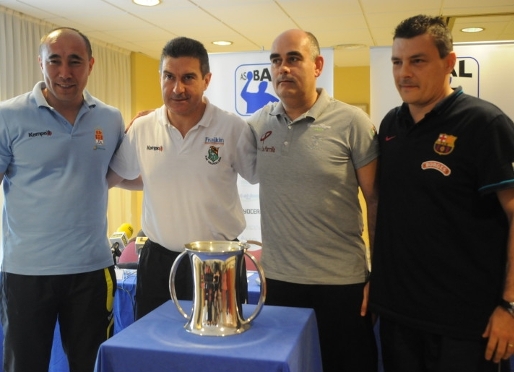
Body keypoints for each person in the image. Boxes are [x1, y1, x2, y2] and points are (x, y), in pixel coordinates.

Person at [369, 14, 514, 371]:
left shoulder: (484, 124)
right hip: (398, 316)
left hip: (465, 325)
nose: (404, 73)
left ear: (449, 63)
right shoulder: (391, 124)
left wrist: (509, 305)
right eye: (397, 62)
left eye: (417, 61)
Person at [247, 29, 379, 372]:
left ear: (318, 65)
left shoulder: (353, 122)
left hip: (342, 286)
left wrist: (377, 273)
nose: (283, 68)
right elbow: (210, 130)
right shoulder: (259, 123)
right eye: (276, 61)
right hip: (278, 285)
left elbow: (376, 200)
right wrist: (155, 117)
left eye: (293, 58)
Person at [0, 27, 125, 372]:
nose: (65, 72)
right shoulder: (8, 116)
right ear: (41, 64)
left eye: (75, 61)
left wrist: (149, 129)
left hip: (91, 270)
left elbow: (125, 174)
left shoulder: (110, 118)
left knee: (92, 365)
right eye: (54, 61)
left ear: (91, 65)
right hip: (26, 272)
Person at [107, 37, 257, 319]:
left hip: (218, 262)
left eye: (188, 77)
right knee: (154, 351)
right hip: (158, 263)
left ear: (206, 79)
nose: (178, 88)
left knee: (219, 354)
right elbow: (120, 176)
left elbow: (262, 175)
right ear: (160, 78)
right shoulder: (142, 128)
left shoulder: (233, 128)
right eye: (169, 77)